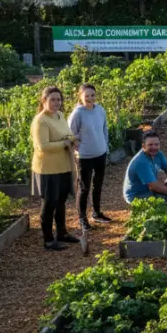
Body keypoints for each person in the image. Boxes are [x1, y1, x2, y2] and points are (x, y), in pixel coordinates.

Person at [31, 86, 80, 251]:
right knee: (49, 203)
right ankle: (48, 239)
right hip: (48, 168)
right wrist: (65, 143)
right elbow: (43, 146)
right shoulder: (40, 121)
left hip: (63, 165)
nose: (56, 103)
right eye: (52, 99)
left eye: (58, 99)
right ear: (44, 101)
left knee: (61, 201)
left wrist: (73, 139)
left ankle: (62, 233)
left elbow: (65, 134)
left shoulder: (60, 116)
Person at [68, 83, 112, 230]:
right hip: (84, 156)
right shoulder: (77, 113)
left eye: (92, 95)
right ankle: (82, 218)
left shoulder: (100, 110)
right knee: (84, 187)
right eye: (87, 95)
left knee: (98, 184)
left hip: (100, 153)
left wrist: (105, 145)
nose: (90, 98)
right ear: (80, 96)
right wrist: (78, 147)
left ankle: (97, 213)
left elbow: (105, 128)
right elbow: (71, 134)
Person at [123, 132, 167, 204]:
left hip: (150, 188)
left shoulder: (158, 154)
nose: (154, 147)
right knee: (165, 199)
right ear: (143, 146)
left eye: (156, 144)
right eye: (150, 145)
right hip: (137, 194)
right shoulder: (141, 162)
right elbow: (154, 186)